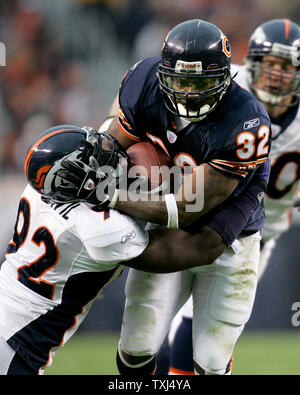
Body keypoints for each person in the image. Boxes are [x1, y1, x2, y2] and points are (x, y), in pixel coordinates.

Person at [57, 19, 271, 375]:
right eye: (179, 80)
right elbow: (109, 147)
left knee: (211, 362)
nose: (188, 92)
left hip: (225, 240)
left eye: (199, 83)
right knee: (136, 347)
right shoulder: (144, 80)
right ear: (162, 73)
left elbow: (188, 210)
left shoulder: (246, 121)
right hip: (162, 221)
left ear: (224, 78)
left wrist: (106, 195)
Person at [0, 124, 232, 375]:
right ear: (76, 176)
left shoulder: (42, 188)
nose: (106, 149)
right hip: (16, 343)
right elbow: (196, 249)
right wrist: (236, 210)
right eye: (95, 155)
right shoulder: (101, 229)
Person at [157, 18, 300, 375]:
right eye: (268, 63)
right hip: (200, 219)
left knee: (205, 339)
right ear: (250, 63)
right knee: (158, 329)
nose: (275, 74)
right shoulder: (222, 85)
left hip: (255, 236)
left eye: (285, 66)